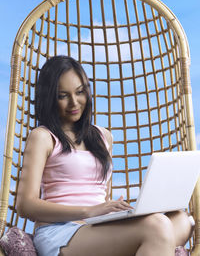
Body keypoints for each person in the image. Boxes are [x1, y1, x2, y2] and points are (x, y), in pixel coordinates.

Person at [17, 55, 194, 256]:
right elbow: (25, 205)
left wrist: (115, 212)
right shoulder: (43, 137)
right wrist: (89, 211)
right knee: (159, 226)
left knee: (181, 220)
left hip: (97, 227)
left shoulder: (103, 137)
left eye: (80, 92)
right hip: (61, 232)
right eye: (63, 95)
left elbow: (103, 195)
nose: (74, 102)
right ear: (50, 98)